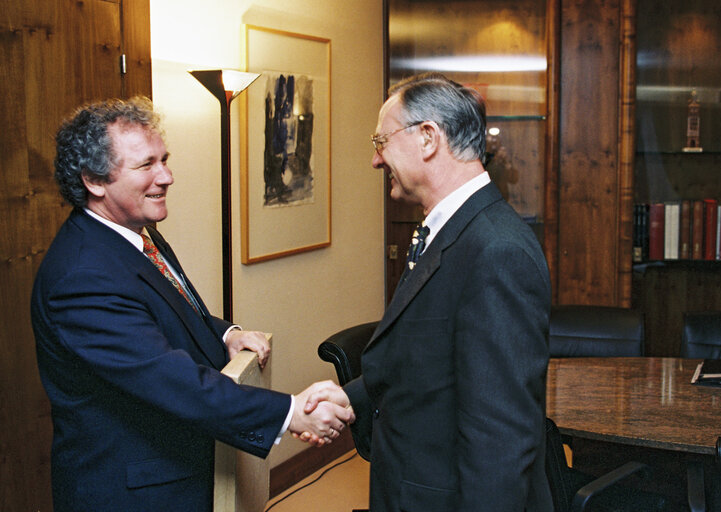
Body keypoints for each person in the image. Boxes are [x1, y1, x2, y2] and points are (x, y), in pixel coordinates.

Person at [31, 96, 352, 511]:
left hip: (174, 472)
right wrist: (291, 412)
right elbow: (169, 379)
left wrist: (226, 334)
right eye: (146, 165)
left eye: (164, 159)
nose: (166, 176)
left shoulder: (134, 233)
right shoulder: (82, 276)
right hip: (133, 491)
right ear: (94, 181)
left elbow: (164, 309)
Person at [307, 73, 553, 511]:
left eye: (380, 142)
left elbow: (500, 438)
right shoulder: (450, 230)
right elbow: (423, 358)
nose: (375, 161)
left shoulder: (496, 251)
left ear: (427, 138)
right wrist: (351, 396)